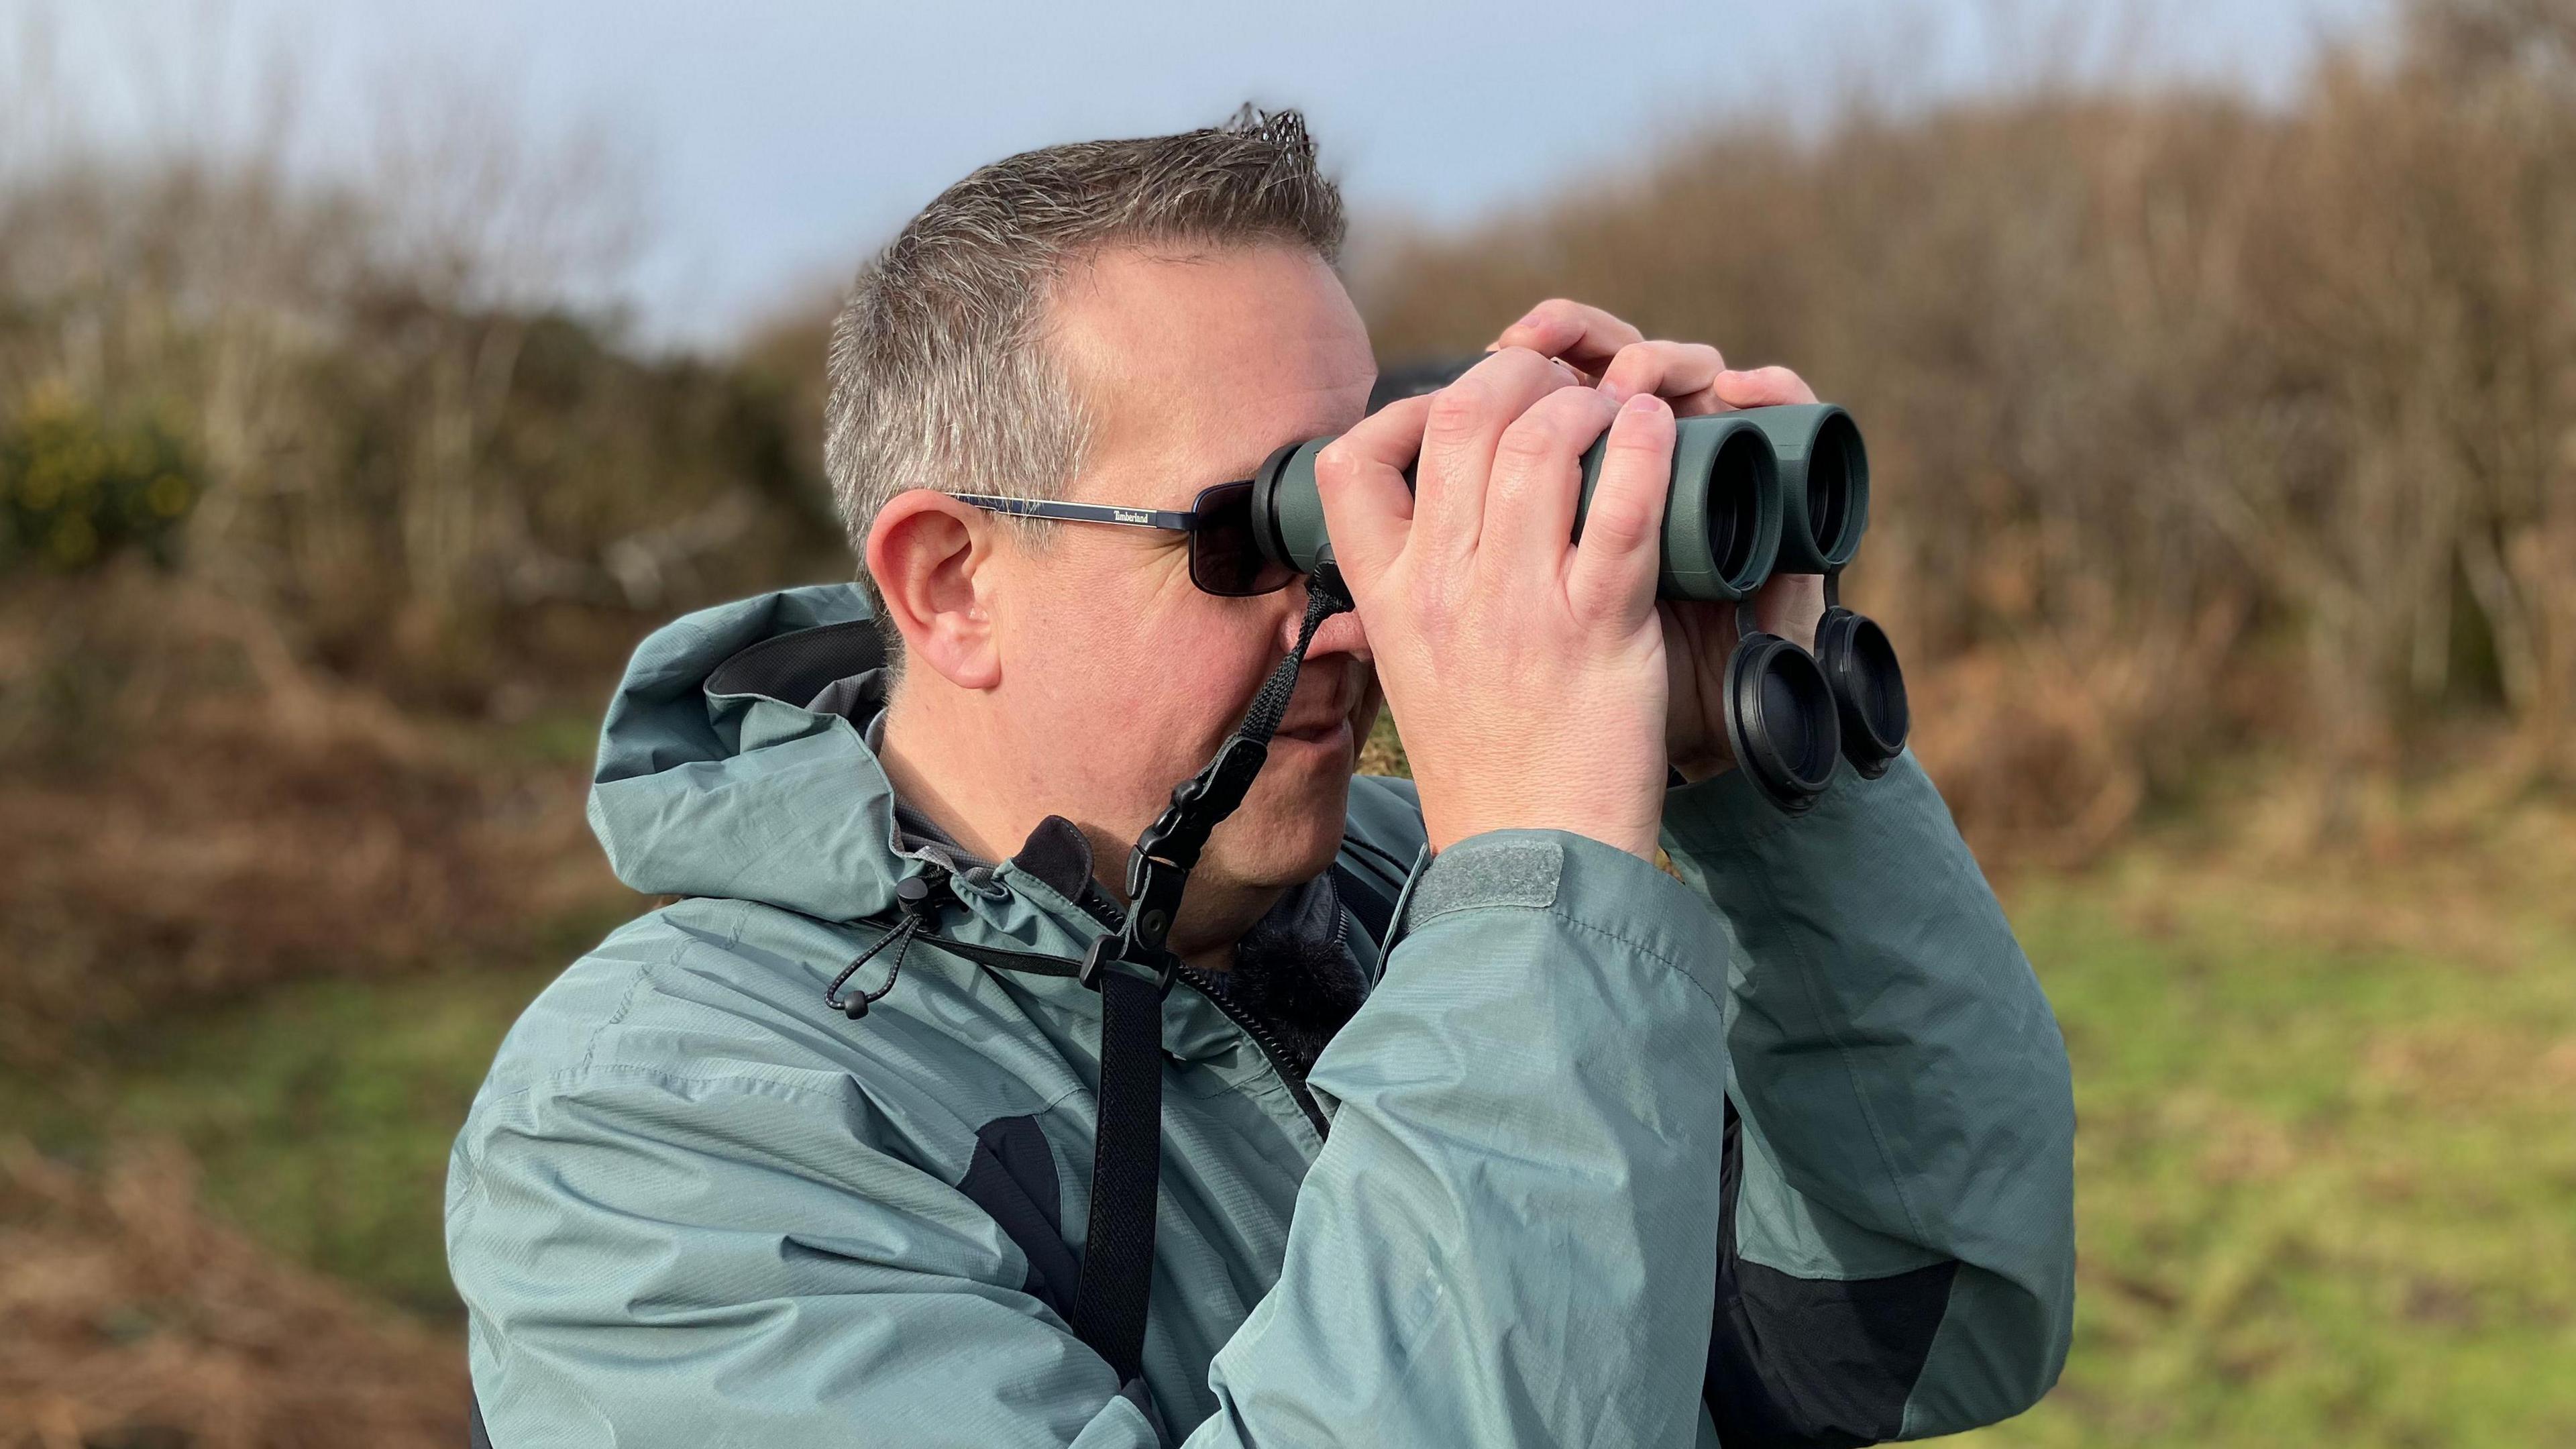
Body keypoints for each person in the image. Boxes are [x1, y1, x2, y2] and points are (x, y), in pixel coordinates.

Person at [445, 107, 2075, 1447]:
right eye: (1260, 529)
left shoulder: (1409, 894)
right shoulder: (648, 1132)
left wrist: (1752, 792)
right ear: (949, 581)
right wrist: (1537, 870)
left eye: (1386, 486)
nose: (1362, 607)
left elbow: (1921, 1333)